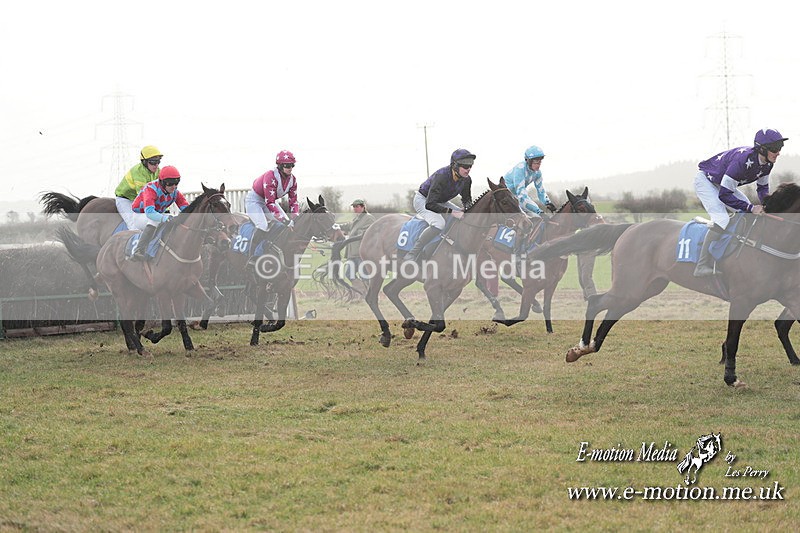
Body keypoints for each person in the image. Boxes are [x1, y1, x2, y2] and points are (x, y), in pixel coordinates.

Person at [693, 128, 787, 277]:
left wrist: (767, 206)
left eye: (780, 148)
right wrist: (751, 207)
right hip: (706, 181)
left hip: (722, 184)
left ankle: (740, 249)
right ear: (762, 149)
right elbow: (724, 195)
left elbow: (762, 188)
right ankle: (702, 265)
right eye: (775, 148)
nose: (779, 152)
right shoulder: (742, 161)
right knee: (722, 219)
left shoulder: (768, 163)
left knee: (749, 213)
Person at [405, 148, 475, 263]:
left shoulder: (466, 180)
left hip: (441, 201)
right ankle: (413, 253)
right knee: (439, 223)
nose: (468, 169)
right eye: (465, 166)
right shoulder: (441, 176)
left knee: (465, 217)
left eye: (470, 166)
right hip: (423, 200)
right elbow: (430, 204)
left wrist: (468, 209)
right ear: (455, 166)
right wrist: (452, 212)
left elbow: (467, 199)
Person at [244, 150, 300, 265]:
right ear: (280, 166)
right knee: (263, 225)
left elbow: (293, 202)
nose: (290, 168)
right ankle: (252, 256)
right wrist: (284, 220)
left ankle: (276, 251)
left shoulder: (293, 180)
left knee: (286, 226)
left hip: (269, 202)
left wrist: (295, 218)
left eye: (292, 165)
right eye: (287, 165)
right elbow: (270, 203)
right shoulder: (271, 176)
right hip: (255, 201)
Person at [130, 165, 189, 261]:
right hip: (140, 215)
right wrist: (166, 218)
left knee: (174, 218)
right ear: (162, 182)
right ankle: (139, 250)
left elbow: (187, 209)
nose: (173, 187)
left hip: (156, 214)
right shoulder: (150, 189)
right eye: (170, 184)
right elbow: (150, 213)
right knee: (155, 221)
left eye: (176, 183)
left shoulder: (175, 192)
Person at [115, 145, 163, 231]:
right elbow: (144, 197)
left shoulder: (158, 171)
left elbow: (161, 192)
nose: (156, 165)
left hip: (137, 199)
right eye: (153, 162)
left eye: (158, 161)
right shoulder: (138, 173)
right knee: (134, 225)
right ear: (144, 162)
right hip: (125, 200)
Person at [503, 145, 557, 220]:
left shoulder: (538, 173)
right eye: (535, 161)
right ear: (528, 161)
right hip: (506, 197)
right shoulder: (520, 169)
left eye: (540, 161)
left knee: (536, 218)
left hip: (516, 196)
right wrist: (539, 211)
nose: (538, 164)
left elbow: (541, 191)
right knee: (526, 219)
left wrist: (548, 203)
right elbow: (522, 196)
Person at [339, 199, 376, 289]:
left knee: (364, 275)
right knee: (348, 274)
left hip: (361, 253)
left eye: (357, 206)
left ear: (363, 207)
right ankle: (361, 291)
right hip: (352, 254)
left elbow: (369, 232)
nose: (355, 208)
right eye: (354, 207)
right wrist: (337, 226)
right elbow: (349, 225)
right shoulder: (357, 218)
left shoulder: (368, 218)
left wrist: (353, 234)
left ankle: (368, 293)